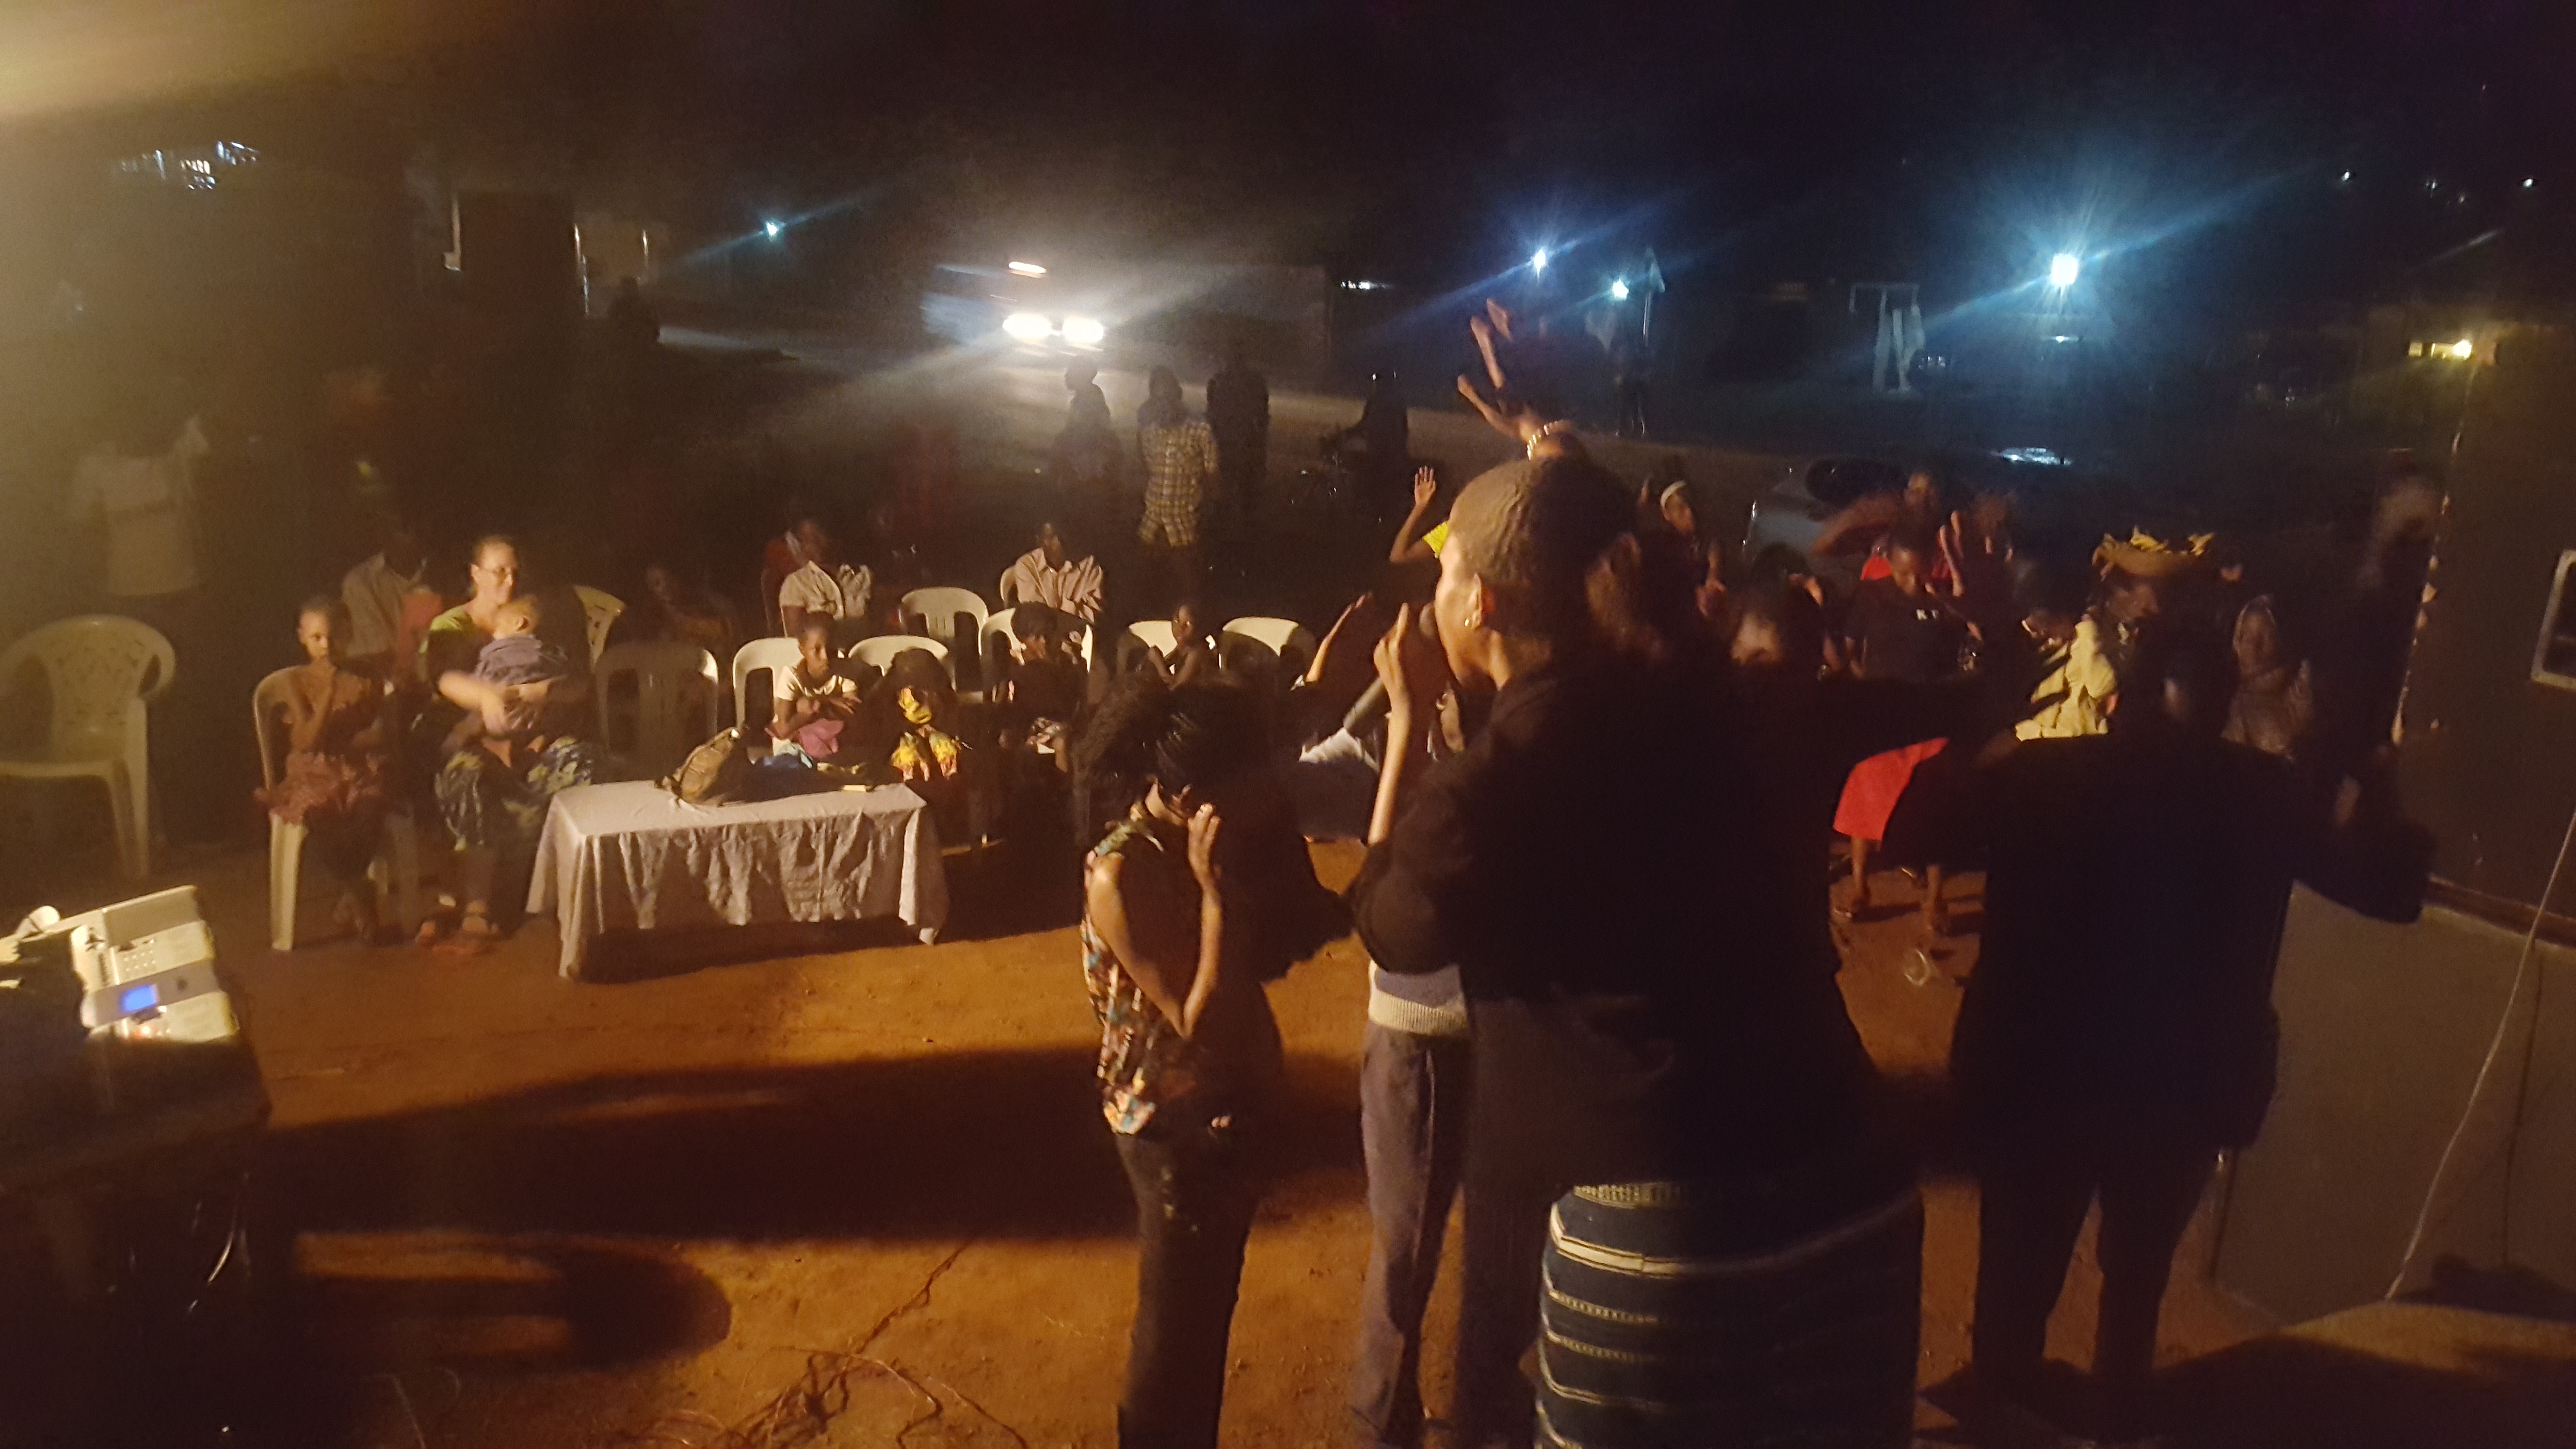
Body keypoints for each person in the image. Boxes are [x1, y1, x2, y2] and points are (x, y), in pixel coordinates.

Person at [1352, 453, 1919, 1449]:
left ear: (1480, 601)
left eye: (1442, 574)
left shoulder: (1491, 784)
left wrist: (1405, 721)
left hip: (1663, 1233)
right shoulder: (1722, 700)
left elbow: (1388, 923)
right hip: (1854, 1185)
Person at [1908, 623, 2325, 1439]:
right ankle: (2114, 1420)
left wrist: (1979, 728)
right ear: (2222, 705)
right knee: (2135, 1290)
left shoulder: (2045, 772)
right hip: (2179, 1091)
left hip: (2038, 1081)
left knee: (2014, 1290)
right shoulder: (2265, 791)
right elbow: (2388, 885)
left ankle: (2003, 1411)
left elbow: (1913, 831)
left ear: (2117, 702)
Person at [1074, 675, 1350, 1449]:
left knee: (1202, 1321)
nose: (1266, 796)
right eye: (1250, 783)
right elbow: (1202, 1023)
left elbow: (1300, 934)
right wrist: (1219, 897)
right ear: (1193, 798)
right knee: (1175, 1343)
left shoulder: (1204, 841)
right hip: (1171, 1132)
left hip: (1224, 1118)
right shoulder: (1123, 873)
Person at [430, 592, 605, 945]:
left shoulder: (551, 642)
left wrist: (542, 692)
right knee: (467, 774)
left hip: (543, 744)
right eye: (499, 572)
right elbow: (447, 680)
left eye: (513, 572)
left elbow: (579, 685)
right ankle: (478, 904)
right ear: (476, 576)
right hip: (491, 745)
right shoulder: (458, 633)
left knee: (585, 766)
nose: (507, 582)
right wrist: (487, 700)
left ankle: (557, 900)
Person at [1835, 528, 1970, 931]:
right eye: (1905, 573)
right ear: (1889, 564)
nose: (1914, 581)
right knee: (1866, 797)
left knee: (1933, 807)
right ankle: (1860, 887)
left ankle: (1935, 899)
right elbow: (1848, 649)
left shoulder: (1943, 601)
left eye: (1920, 572)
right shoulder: (1872, 596)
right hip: (1883, 716)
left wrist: (1949, 596)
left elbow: (1971, 640)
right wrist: (1865, 688)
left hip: (1929, 718)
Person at [258, 597, 398, 942]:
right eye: (317, 638)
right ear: (303, 638)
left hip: (358, 768)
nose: (326, 646)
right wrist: (326, 695)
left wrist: (351, 742)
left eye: (334, 637)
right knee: (324, 821)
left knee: (369, 813)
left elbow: (381, 732)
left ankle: (352, 892)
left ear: (348, 635)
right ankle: (360, 892)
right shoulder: (295, 681)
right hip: (314, 774)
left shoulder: (367, 677)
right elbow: (305, 742)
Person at [1137, 367, 1219, 605]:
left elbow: (1213, 477)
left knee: (1188, 593)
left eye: (1168, 397)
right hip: (1151, 524)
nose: (1163, 405)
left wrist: (1208, 516)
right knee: (1148, 591)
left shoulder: (1200, 432)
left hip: (1183, 525)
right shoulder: (1149, 433)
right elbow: (1148, 471)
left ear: (1179, 395)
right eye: (1158, 399)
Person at [339, 509, 433, 676]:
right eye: (403, 528)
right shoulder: (362, 582)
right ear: (383, 534)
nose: (412, 535)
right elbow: (379, 653)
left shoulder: (444, 579)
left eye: (417, 527)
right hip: (378, 679)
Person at [2223, 595, 2313, 759]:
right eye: (2247, 637)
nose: (2254, 646)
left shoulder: (2304, 686)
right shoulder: (2239, 706)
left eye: (2264, 636)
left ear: (2280, 640)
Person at [770, 615, 860, 765]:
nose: (825, 657)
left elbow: (852, 712)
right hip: (793, 749)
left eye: (831, 649)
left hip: (832, 747)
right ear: (802, 649)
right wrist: (812, 711)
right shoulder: (791, 677)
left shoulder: (845, 672)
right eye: (817, 650)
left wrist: (816, 704)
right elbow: (783, 730)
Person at [775, 516, 873, 642]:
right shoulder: (796, 583)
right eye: (808, 541)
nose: (813, 546)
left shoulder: (863, 575)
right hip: (823, 653)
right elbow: (795, 640)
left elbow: (879, 623)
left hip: (862, 651)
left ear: (834, 539)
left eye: (817, 538)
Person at [1205, 344, 1270, 520]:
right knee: (1245, 486)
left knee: (1230, 482)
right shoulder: (1256, 381)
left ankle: (1230, 517)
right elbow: (1263, 414)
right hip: (1245, 441)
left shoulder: (1218, 382)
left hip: (1232, 440)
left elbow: (1211, 414)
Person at [998, 520, 1105, 624]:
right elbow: (1035, 618)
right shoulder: (1027, 566)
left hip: (1079, 632)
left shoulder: (1089, 565)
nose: (1059, 542)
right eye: (1051, 537)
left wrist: (1060, 616)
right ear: (1040, 541)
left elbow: (1094, 614)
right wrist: (1072, 611)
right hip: (1042, 634)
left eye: (1062, 535)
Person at [1149, 601, 1217, 686]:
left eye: (1188, 623)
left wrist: (1158, 663)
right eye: (1177, 621)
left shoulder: (1196, 654)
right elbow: (1167, 663)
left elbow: (1176, 688)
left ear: (1200, 628)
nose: (1180, 628)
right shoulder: (1183, 647)